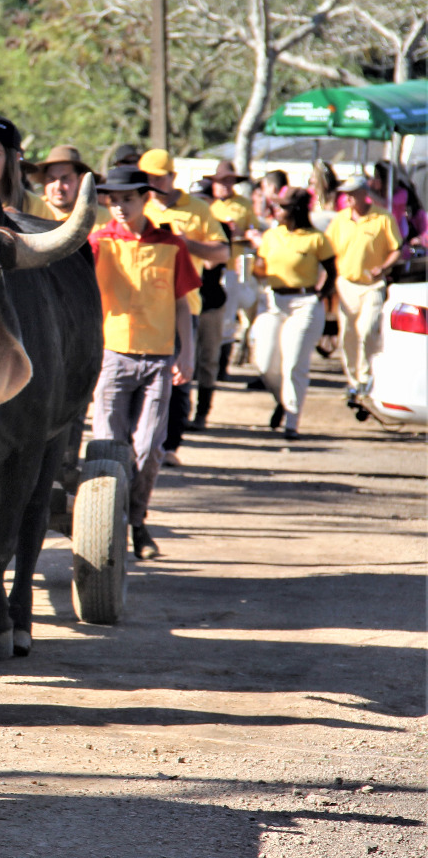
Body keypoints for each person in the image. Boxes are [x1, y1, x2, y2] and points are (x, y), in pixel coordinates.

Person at [85, 166, 198, 560]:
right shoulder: (97, 242)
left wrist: (188, 353)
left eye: (127, 199)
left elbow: (182, 305)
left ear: (145, 198)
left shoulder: (172, 245)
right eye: (112, 200)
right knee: (107, 447)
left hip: (159, 360)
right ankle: (108, 526)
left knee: (149, 448)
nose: (118, 207)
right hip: (111, 357)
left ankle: (136, 520)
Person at [138, 149, 228, 459]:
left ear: (172, 177)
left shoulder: (198, 208)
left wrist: (183, 242)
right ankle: (140, 444)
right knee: (139, 376)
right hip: (140, 307)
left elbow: (223, 253)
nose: (152, 182)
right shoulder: (138, 205)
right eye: (147, 176)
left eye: (158, 176)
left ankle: (170, 445)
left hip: (182, 304)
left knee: (177, 377)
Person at [247, 188, 336, 439]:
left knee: (294, 362)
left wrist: (320, 295)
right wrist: (253, 264)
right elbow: (262, 267)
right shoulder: (271, 235)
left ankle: (292, 422)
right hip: (275, 301)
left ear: (295, 210)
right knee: (265, 363)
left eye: (283, 207)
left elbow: (331, 270)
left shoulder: (316, 238)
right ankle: (283, 400)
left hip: (304, 302)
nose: (277, 211)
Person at [325, 175, 403, 411]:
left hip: (372, 284)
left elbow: (396, 248)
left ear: (363, 192)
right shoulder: (340, 220)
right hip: (346, 283)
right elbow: (328, 249)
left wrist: (384, 267)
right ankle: (353, 381)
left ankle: (365, 378)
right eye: (345, 193)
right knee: (347, 334)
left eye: (352, 192)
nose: (347, 197)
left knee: (367, 330)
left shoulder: (382, 217)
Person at [203, 159, 258, 382]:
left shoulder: (243, 205)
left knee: (228, 316)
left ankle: (221, 365)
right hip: (209, 266)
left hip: (233, 264)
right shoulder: (208, 205)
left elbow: (253, 230)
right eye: (222, 181)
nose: (226, 185)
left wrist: (241, 233)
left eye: (229, 181)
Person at [37, 144, 98, 223]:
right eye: (51, 179)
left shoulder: (100, 218)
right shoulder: (31, 209)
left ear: (81, 180)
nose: (58, 187)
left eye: (65, 178)